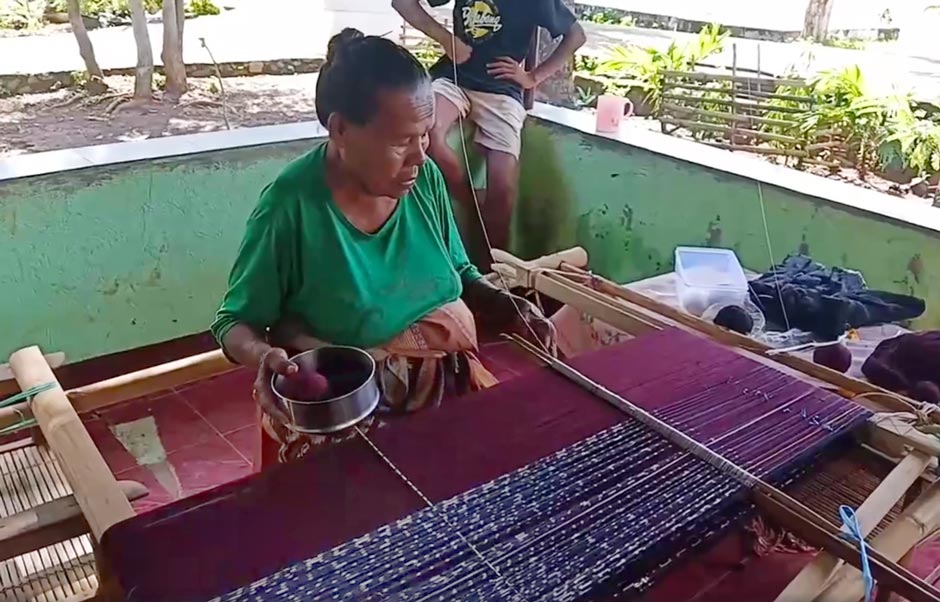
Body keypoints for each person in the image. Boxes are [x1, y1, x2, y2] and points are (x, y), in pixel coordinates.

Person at [210, 29, 554, 468]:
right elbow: (234, 322)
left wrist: (508, 307)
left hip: (438, 395)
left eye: (424, 136)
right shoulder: (290, 207)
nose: (420, 156)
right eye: (400, 141)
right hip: (342, 414)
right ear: (340, 129)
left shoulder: (423, 180)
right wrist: (264, 355)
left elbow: (459, 272)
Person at [392, 0, 586, 258]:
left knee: (503, 189)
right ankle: (472, 205)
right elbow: (402, 3)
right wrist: (445, 39)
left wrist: (532, 77)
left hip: (503, 92)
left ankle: (494, 275)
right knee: (428, 135)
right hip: (454, 80)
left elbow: (576, 35)